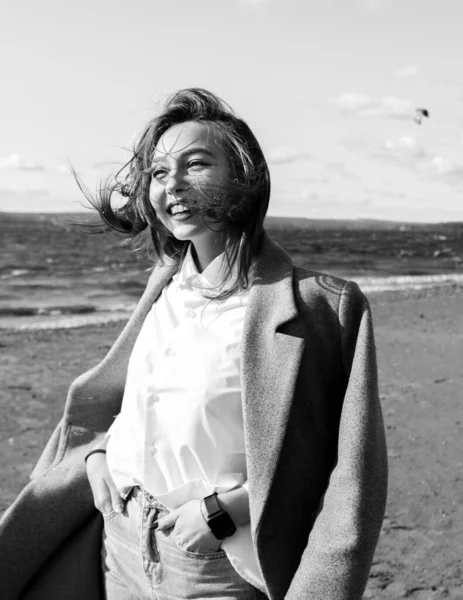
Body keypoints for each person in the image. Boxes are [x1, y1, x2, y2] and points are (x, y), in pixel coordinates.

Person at [0, 88, 388, 600]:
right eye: (159, 173)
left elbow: (345, 473)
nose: (172, 185)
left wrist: (228, 511)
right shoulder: (165, 284)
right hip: (119, 542)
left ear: (244, 176)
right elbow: (140, 406)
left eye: (196, 163)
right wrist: (99, 460)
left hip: (213, 561)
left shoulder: (322, 306)